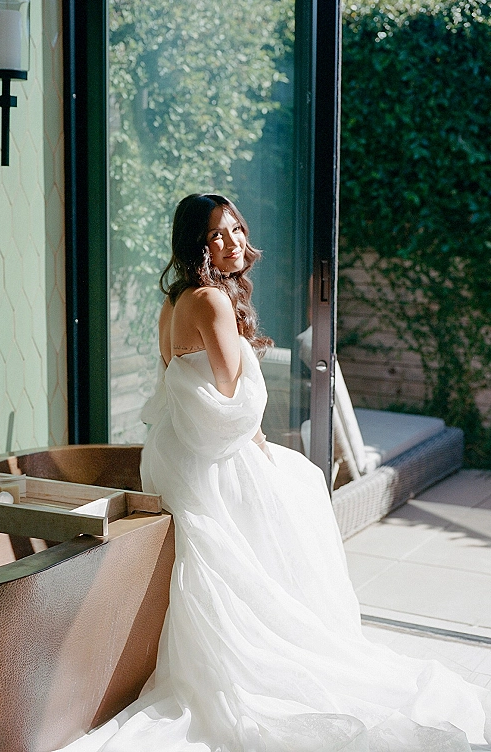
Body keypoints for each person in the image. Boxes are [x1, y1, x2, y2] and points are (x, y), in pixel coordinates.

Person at [64, 193, 490, 751]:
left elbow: (187, 394)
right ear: (197, 246)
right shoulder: (212, 303)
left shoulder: (173, 301)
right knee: (303, 487)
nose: (234, 242)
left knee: (279, 497)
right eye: (217, 235)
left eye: (236, 228)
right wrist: (258, 436)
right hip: (206, 457)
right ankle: (301, 641)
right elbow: (229, 399)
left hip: (173, 454)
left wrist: (254, 436)